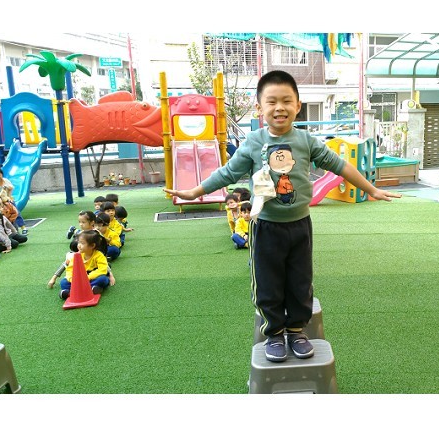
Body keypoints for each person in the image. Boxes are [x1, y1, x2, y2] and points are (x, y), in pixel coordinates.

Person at [164, 70, 401, 362]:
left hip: (300, 226)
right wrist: (194, 191)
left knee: (300, 281)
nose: (280, 108)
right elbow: (227, 173)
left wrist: (371, 189)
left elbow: (340, 166)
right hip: (266, 227)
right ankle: (274, 333)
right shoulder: (254, 141)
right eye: (272, 101)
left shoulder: (306, 141)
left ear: (298, 105)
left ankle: (297, 330)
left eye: (287, 101)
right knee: (268, 283)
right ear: (259, 107)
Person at [48, 230, 110, 299]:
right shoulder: (76, 255)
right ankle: (70, 292)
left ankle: (89, 289)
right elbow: (70, 269)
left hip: (92, 277)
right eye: (79, 242)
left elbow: (102, 270)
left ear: (92, 245)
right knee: (63, 282)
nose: (79, 245)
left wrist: (87, 277)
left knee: (103, 279)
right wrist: (72, 279)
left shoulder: (99, 255)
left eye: (82, 243)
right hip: (79, 278)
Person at [0, 166, 27, 234]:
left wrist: (9, 197)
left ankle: (23, 227)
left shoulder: (5, 180)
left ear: (2, 174)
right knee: (3, 217)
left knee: (16, 212)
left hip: (7, 199)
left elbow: (11, 189)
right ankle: (7, 231)